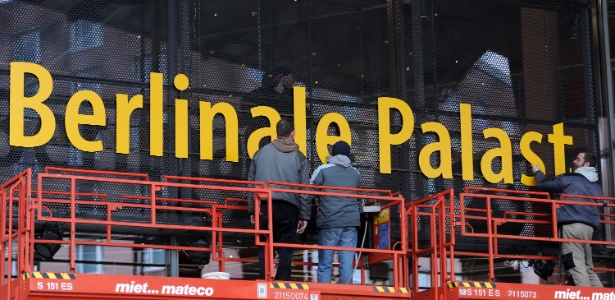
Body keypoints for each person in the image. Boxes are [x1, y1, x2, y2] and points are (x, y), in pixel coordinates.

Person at [247, 117, 311, 280]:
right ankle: (282, 285)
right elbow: (304, 189)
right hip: (288, 208)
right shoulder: (300, 157)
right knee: (285, 250)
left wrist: (253, 209)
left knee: (264, 248)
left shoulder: (260, 153)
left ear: (276, 133)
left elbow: (251, 184)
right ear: (292, 134)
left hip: (263, 205)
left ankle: (264, 282)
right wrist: (304, 215)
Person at [531, 151, 603, 287]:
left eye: (577, 159)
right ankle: (603, 296)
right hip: (589, 229)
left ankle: (588, 297)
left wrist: (537, 172)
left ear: (586, 164)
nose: (574, 162)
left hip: (571, 227)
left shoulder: (571, 178)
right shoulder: (597, 186)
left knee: (575, 265)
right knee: (588, 268)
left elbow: (545, 184)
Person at [310, 141, 360, 284]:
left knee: (325, 264)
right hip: (350, 222)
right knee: (346, 266)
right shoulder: (355, 173)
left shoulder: (323, 169)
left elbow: (308, 190)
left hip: (329, 220)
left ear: (332, 153)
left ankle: (324, 294)